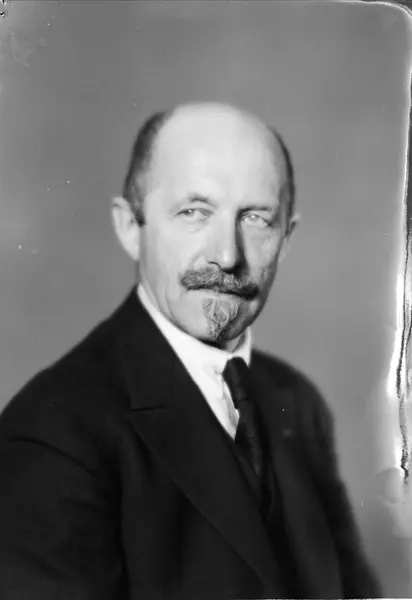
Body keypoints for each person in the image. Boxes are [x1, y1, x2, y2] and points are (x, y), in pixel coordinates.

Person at [0, 102, 380, 599]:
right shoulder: (53, 434)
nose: (227, 255)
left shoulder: (299, 403)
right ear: (130, 227)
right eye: (194, 212)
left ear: (286, 240)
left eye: (256, 219)